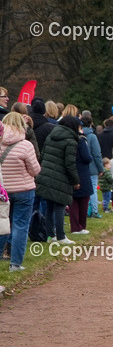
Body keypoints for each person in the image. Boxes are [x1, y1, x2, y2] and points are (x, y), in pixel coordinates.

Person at [0, 112, 41, 270]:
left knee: (3, 224)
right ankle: (15, 263)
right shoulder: (26, 145)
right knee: (20, 226)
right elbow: (35, 170)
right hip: (23, 190)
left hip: (3, 190)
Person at [35, 115, 82, 243]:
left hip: (46, 174)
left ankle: (51, 235)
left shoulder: (51, 136)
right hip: (60, 177)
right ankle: (61, 236)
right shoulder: (71, 141)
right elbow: (69, 164)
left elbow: (43, 155)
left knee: (50, 206)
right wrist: (75, 180)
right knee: (60, 206)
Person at [67, 108, 93, 235]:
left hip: (70, 172)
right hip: (82, 172)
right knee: (83, 201)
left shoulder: (67, 139)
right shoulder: (81, 140)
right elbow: (87, 157)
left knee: (73, 202)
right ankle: (80, 226)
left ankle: (74, 226)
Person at [82, 112, 104, 218]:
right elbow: (97, 154)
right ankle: (94, 210)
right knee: (93, 189)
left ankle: (86, 210)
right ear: (91, 123)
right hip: (92, 168)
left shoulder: (79, 135)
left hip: (82, 167)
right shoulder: (92, 136)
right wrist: (101, 168)